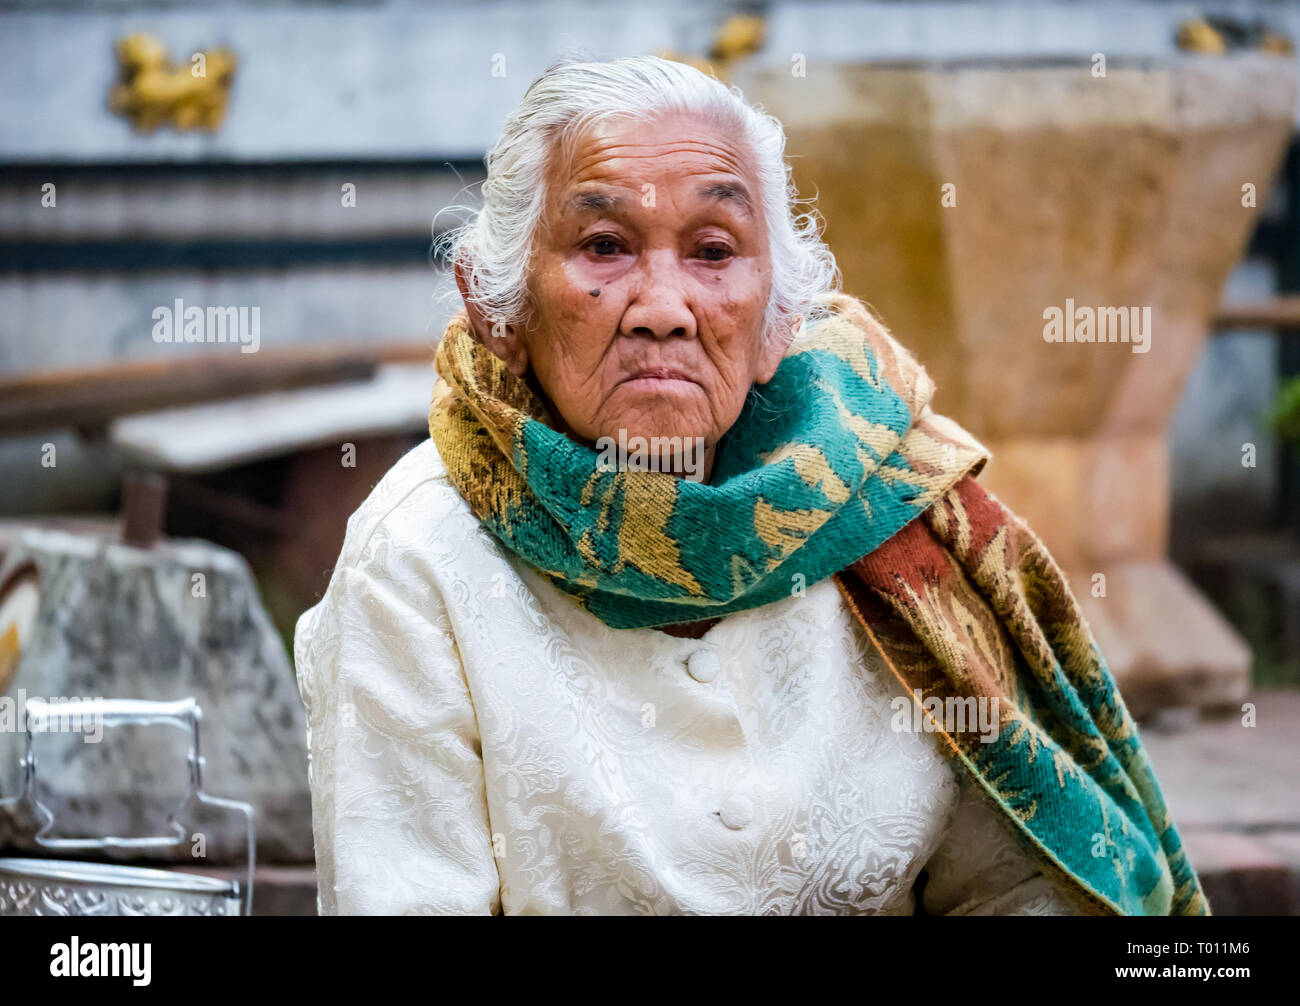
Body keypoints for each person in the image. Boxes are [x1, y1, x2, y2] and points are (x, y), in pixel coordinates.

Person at [293, 54, 1206, 916]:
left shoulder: (888, 508)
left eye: (715, 250)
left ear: (777, 320)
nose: (662, 308)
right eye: (605, 245)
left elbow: (1017, 881)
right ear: (498, 310)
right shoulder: (417, 558)